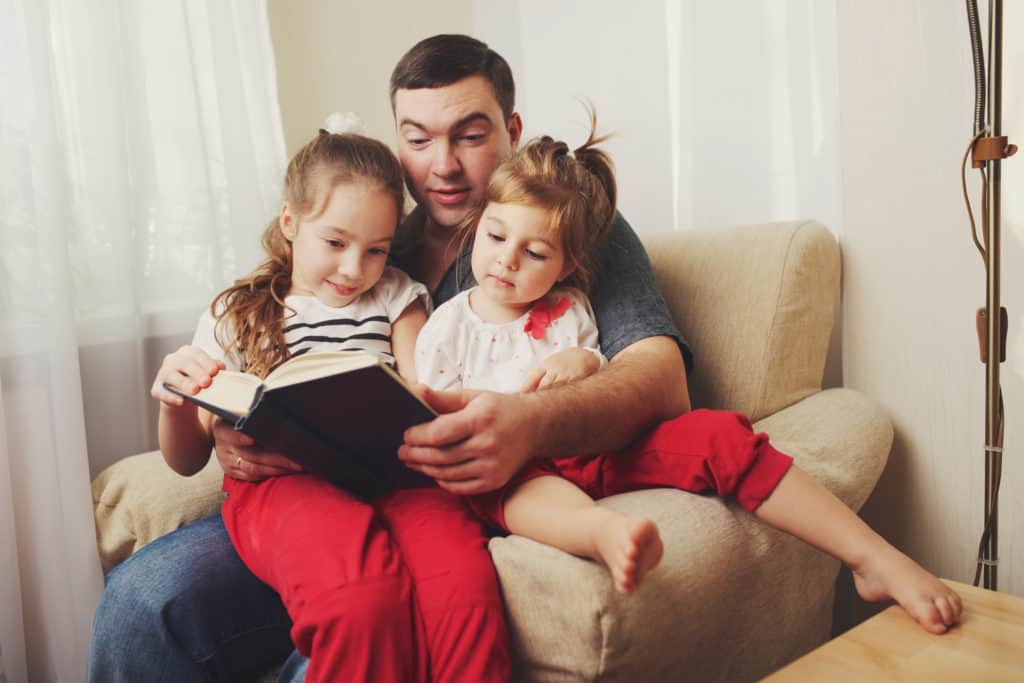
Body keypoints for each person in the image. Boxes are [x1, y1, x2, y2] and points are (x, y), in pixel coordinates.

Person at [87, 33, 713, 681]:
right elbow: (269, 333)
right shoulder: (378, 237)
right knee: (141, 602)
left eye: (469, 135)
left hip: (438, 497)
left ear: (512, 130)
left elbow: (662, 379)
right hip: (299, 498)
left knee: (362, 621)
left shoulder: (563, 225)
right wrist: (224, 427)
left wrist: (533, 421)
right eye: (418, 139)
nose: (442, 164)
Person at [412, 123, 964, 633]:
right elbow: (434, 403)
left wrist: (583, 365)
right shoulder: (450, 322)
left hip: (599, 449)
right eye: (495, 237)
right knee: (507, 489)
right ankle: (599, 531)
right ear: (476, 227)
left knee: (718, 436)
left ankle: (871, 557)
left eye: (533, 252)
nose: (506, 261)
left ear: (568, 265)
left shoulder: (571, 306)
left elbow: (599, 373)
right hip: (521, 468)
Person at [150, 124, 455, 682]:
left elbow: (422, 387)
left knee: (393, 592)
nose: (353, 268)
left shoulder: (394, 295)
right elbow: (187, 458)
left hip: (378, 474)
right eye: (335, 242)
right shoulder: (235, 313)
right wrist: (175, 404)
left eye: (376, 249)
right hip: (280, 486)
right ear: (291, 222)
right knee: (354, 594)